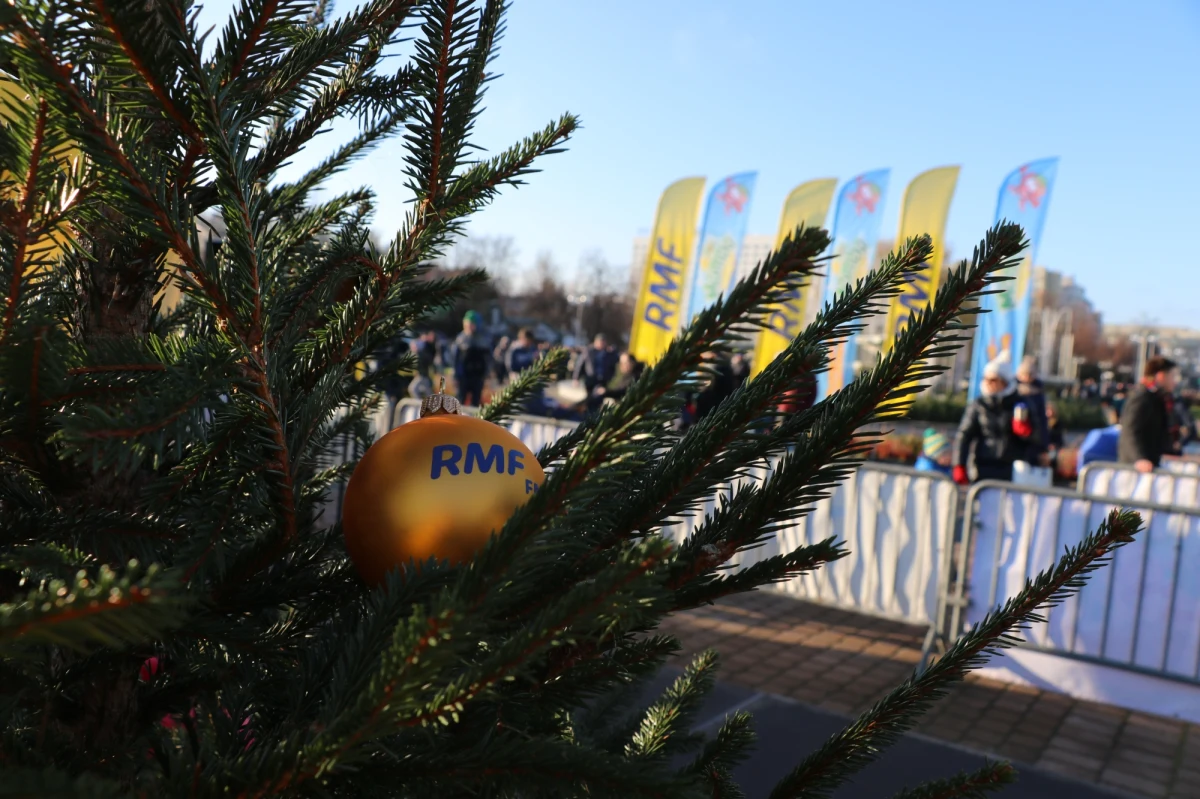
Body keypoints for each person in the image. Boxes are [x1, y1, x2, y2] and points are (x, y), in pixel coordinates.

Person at [951, 352, 1041, 485]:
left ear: (1004, 381)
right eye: (986, 379)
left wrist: (1027, 432)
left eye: (993, 380)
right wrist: (959, 464)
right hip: (983, 467)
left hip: (1014, 470)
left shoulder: (1021, 403)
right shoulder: (978, 405)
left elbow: (1038, 437)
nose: (988, 383)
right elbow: (964, 435)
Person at [1118, 356, 1180, 473]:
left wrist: (1174, 452)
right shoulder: (1143, 398)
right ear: (1161, 376)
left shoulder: (1157, 399)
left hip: (1149, 466)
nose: (1175, 381)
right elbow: (1130, 431)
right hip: (1136, 469)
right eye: (1173, 376)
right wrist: (1139, 459)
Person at [452, 310, 491, 406]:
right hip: (463, 376)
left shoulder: (483, 340)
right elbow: (455, 359)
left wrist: (486, 374)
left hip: (477, 375)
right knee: (460, 400)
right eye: (467, 324)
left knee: (475, 401)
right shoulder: (461, 339)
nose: (469, 327)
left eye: (471, 324)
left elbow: (488, 359)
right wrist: (456, 375)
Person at [1015, 356, 1050, 461]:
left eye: (1029, 375)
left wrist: (1044, 443)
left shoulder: (1038, 392)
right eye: (1024, 374)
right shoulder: (1013, 391)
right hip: (1017, 439)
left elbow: (1042, 419)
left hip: (1034, 437)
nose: (1026, 378)